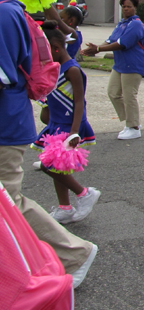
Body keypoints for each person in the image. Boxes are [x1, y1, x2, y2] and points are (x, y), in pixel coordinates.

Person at [0, 0, 97, 288]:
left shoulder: (4, 14)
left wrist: (72, 130)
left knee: (9, 205)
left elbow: (6, 73)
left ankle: (74, 252)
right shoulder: (11, 11)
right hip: (17, 120)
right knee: (9, 203)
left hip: (6, 125)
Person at [32, 22, 101, 224]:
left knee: (48, 167)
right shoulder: (54, 67)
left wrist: (73, 132)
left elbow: (79, 102)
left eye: (44, 52)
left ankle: (84, 193)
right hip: (56, 123)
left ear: (55, 48)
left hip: (70, 126)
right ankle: (65, 207)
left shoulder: (72, 70)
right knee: (59, 169)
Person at [82, 0, 144, 140]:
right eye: (123, 6)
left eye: (129, 7)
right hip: (120, 64)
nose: (126, 9)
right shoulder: (122, 23)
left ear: (135, 8)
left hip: (133, 64)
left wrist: (98, 49)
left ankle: (134, 127)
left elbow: (122, 44)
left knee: (129, 95)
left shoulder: (136, 24)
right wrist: (95, 48)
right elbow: (110, 40)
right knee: (113, 92)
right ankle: (131, 122)